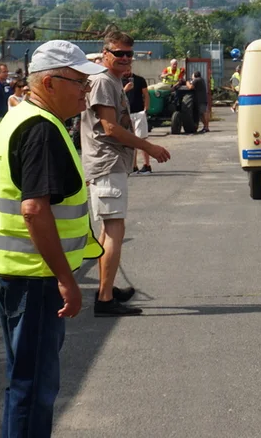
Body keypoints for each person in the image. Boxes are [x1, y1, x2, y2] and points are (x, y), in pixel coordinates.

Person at [0, 40, 106, 437]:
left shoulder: (21, 116)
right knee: (35, 385)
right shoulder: (42, 130)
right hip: (35, 274)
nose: (86, 91)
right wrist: (65, 278)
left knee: (22, 378)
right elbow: (34, 209)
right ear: (48, 82)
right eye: (79, 82)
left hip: (14, 269)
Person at [82, 31, 171, 317]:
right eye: (118, 53)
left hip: (110, 164)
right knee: (114, 231)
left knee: (110, 231)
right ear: (105, 53)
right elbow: (110, 128)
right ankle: (105, 299)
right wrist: (149, 147)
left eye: (128, 54)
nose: (124, 59)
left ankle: (105, 289)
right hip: (106, 164)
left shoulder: (112, 81)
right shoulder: (103, 82)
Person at [124, 70, 151, 173]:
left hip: (139, 112)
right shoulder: (118, 80)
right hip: (127, 113)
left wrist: (146, 109)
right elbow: (117, 95)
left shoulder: (139, 80)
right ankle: (133, 166)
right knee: (131, 140)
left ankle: (147, 165)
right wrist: (125, 89)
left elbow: (146, 94)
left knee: (142, 139)